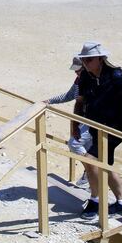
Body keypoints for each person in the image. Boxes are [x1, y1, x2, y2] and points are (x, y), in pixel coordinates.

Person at [72, 42, 122, 217]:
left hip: (114, 128)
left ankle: (95, 200)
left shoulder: (116, 75)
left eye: (89, 60)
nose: (86, 63)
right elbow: (79, 102)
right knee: (105, 164)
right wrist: (75, 124)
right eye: (84, 60)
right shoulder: (85, 77)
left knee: (91, 160)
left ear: (100, 59)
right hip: (96, 128)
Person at [45, 57, 89, 187]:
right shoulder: (79, 80)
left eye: (79, 70)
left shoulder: (92, 81)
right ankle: (91, 174)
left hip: (92, 120)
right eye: (75, 71)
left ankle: (92, 172)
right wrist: (49, 101)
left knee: (74, 144)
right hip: (82, 120)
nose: (76, 73)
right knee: (85, 149)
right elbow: (70, 95)